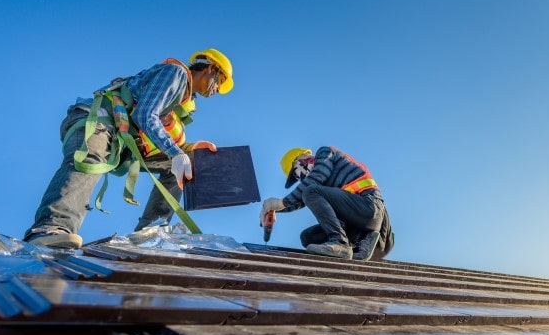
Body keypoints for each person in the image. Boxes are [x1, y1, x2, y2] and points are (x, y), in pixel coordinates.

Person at [24, 49, 234, 250]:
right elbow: (144, 114)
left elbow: (159, 137)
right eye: (220, 81)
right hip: (96, 120)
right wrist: (176, 152)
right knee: (90, 160)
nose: (217, 90)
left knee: (180, 166)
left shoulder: (183, 103)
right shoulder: (177, 74)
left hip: (120, 139)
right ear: (209, 68)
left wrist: (188, 150)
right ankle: (50, 228)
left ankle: (150, 233)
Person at [261, 146, 394, 261]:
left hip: (369, 208)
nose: (299, 177)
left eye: (296, 171)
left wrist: (281, 202)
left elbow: (314, 181)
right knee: (308, 237)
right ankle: (356, 243)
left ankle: (340, 243)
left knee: (310, 191)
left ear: (302, 159)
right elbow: (301, 199)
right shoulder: (319, 186)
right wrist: (275, 209)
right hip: (356, 220)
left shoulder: (325, 153)